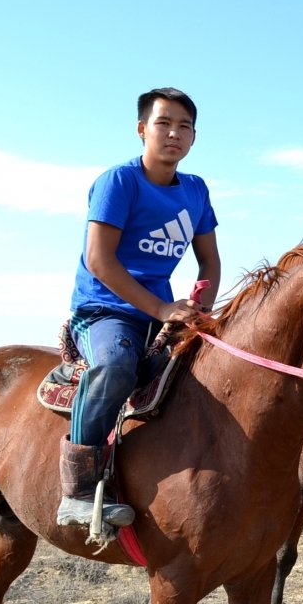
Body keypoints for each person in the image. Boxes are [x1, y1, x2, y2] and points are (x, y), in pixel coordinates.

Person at [60, 87, 221, 529]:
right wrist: (161, 307)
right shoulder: (119, 182)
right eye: (164, 123)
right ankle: (76, 490)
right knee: (115, 369)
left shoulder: (195, 190)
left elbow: (209, 260)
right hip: (105, 310)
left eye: (184, 126)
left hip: (159, 311)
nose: (174, 133)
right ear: (141, 129)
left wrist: (198, 308)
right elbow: (99, 260)